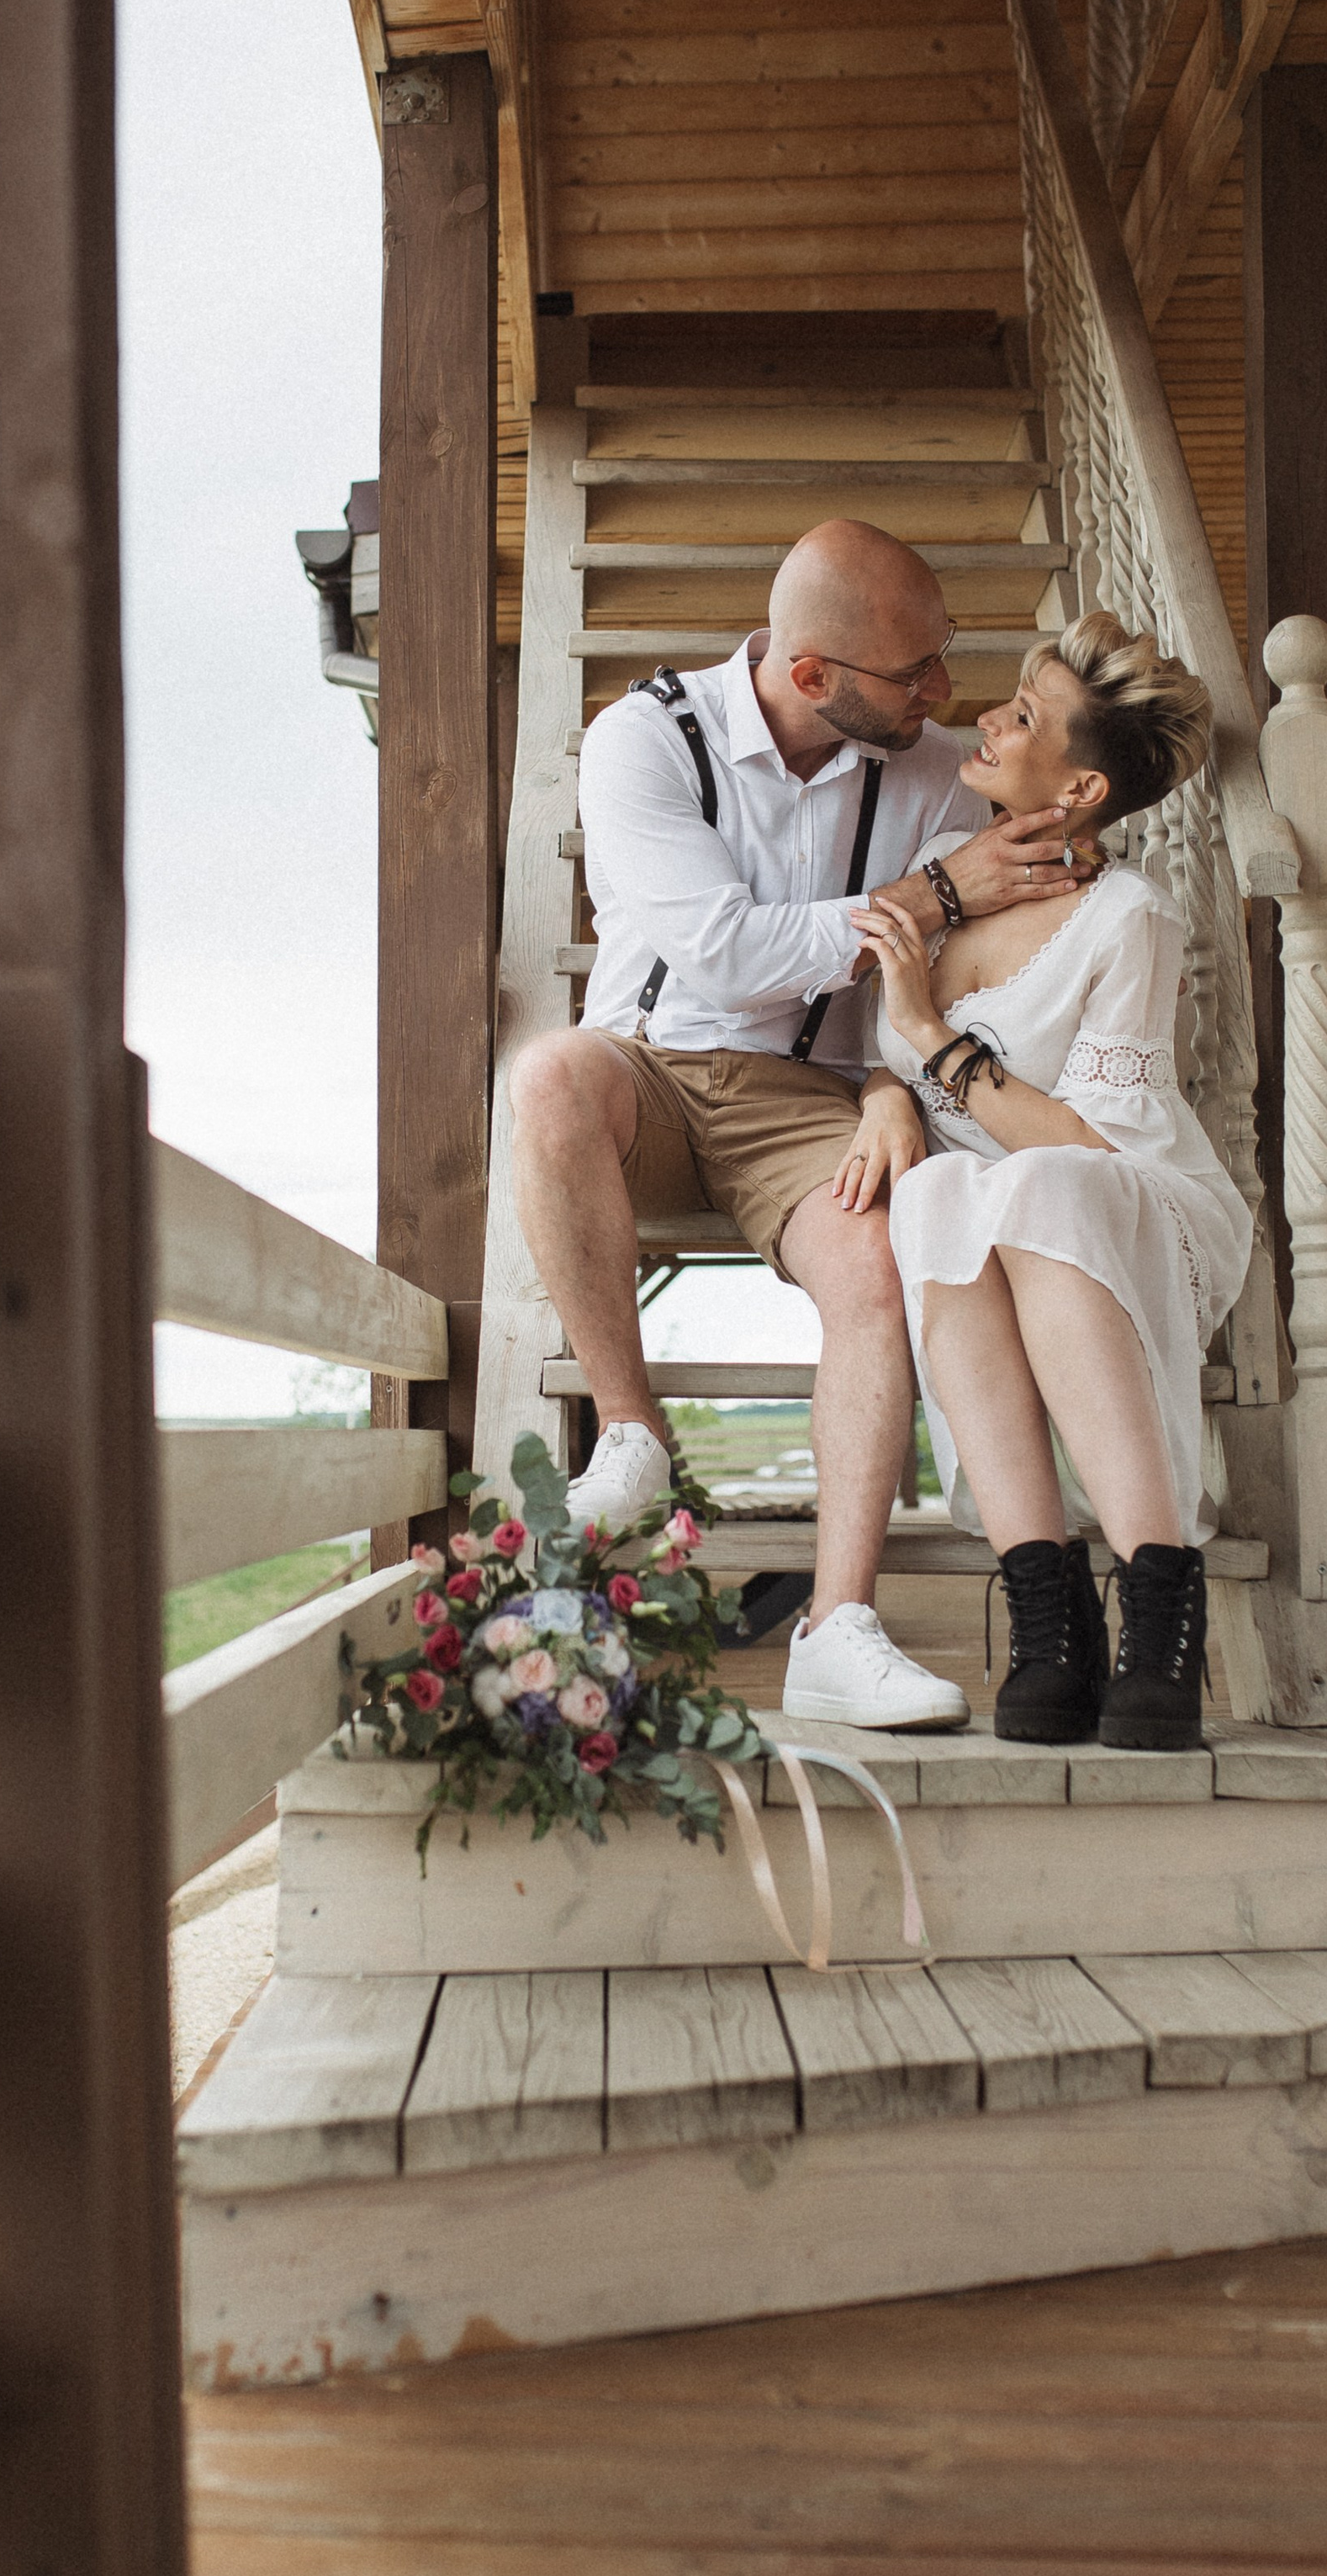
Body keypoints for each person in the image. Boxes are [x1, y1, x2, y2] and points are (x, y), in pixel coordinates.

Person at [509, 516, 1106, 1733]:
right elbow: (722, 955)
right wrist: (934, 893)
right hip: (653, 1071)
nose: (947, 695)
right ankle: (631, 1433)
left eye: (942, 659)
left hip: (822, 1099)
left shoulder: (941, 768)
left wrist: (896, 1085)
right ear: (812, 676)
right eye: (917, 672)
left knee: (880, 1262)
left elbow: (988, 945)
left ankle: (837, 1625)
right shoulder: (644, 738)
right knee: (548, 1074)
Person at [843, 610, 1253, 1752]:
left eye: (1023, 717)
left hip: (1129, 1197)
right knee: (935, 1199)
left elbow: (1091, 1143)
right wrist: (885, 1092)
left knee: (1039, 1190)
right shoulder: (944, 895)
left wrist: (927, 1038)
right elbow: (872, 1063)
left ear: (1077, 793)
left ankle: (1162, 1601)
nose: (988, 719)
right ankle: (1047, 1619)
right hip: (992, 1204)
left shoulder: (1131, 919)